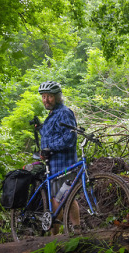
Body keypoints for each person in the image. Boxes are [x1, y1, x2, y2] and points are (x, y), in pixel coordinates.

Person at [37, 81, 80, 234]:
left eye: (49, 96)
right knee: (64, 198)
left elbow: (69, 138)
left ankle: (58, 236)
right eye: (43, 97)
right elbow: (53, 136)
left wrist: (49, 149)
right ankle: (73, 231)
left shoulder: (63, 112)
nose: (45, 100)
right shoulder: (53, 113)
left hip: (64, 166)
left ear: (57, 97)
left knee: (60, 198)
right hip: (54, 166)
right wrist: (41, 128)